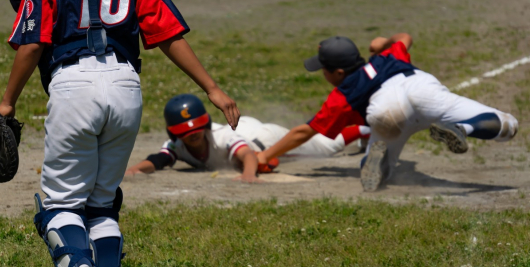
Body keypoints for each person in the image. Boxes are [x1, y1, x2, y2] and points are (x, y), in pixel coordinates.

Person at [0, 0, 239, 267]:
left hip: (74, 84)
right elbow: (168, 36)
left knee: (61, 205)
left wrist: (7, 102)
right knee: (102, 204)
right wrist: (212, 89)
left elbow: (31, 46)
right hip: (126, 87)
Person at [257, 34, 518, 192]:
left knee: (380, 166)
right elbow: (405, 36)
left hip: (385, 109)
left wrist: (265, 155)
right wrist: (384, 41)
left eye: (323, 69)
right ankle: (464, 129)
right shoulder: (386, 56)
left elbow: (304, 132)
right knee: (507, 124)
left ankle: (377, 163)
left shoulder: (343, 95)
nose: (322, 73)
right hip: (420, 85)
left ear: (338, 73)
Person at [125, 94, 370, 178]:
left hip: (264, 138)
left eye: (197, 128)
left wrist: (249, 175)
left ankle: (366, 128)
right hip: (246, 131)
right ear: (174, 133)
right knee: (324, 145)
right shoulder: (175, 145)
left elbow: (248, 155)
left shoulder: (220, 137)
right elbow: (158, 160)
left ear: (206, 124)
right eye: (185, 132)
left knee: (327, 146)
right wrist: (133, 170)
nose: (193, 135)